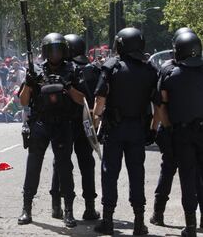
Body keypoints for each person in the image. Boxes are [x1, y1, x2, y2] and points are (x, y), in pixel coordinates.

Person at [93, 27, 158, 235]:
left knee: (109, 174)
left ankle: (108, 222)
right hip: (138, 130)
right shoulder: (149, 70)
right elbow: (158, 106)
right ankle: (139, 223)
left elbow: (100, 101)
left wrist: (95, 124)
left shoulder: (112, 67)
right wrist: (153, 130)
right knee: (137, 173)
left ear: (120, 44)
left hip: (115, 129)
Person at [18, 33, 85, 227]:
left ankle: (69, 211)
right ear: (45, 52)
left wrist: (67, 86)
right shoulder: (35, 70)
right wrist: (29, 84)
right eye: (51, 50)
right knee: (33, 167)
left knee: (65, 167)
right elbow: (23, 101)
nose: (55, 54)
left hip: (63, 124)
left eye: (58, 49)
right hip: (40, 124)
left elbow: (82, 100)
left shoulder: (72, 69)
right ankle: (26, 208)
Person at [150, 27, 203, 229]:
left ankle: (185, 224)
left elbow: (160, 105)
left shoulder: (168, 72)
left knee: (182, 175)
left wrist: (166, 129)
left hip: (177, 131)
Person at [50, 34, 101, 221]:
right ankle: (89, 207)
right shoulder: (93, 69)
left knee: (60, 164)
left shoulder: (62, 70)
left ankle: (56, 206)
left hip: (63, 122)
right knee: (87, 163)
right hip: (85, 122)